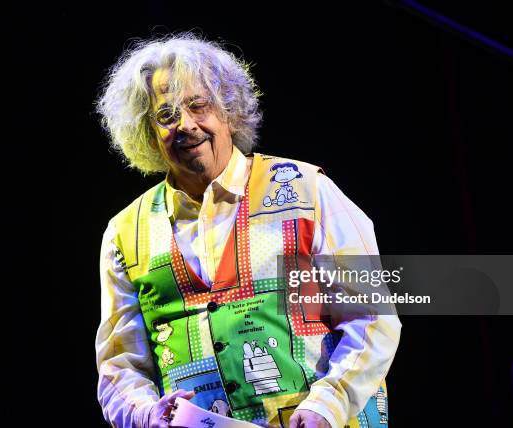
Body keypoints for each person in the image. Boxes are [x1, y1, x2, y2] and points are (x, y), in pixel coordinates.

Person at [95, 34, 402, 428]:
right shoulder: (125, 232)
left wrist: (328, 405)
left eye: (198, 106)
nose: (186, 125)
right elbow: (120, 364)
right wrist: (142, 414)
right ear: (147, 131)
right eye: (166, 115)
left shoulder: (307, 190)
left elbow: (372, 317)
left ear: (227, 109)